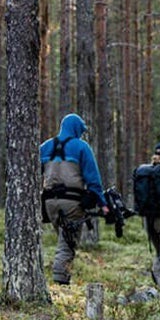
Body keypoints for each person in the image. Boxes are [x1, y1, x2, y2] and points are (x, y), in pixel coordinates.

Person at [39, 113, 106, 286]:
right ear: (76, 128)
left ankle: (61, 278)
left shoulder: (45, 147)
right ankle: (61, 285)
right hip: (72, 203)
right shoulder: (81, 147)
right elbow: (93, 179)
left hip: (49, 204)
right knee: (67, 245)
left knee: (63, 240)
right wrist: (102, 203)